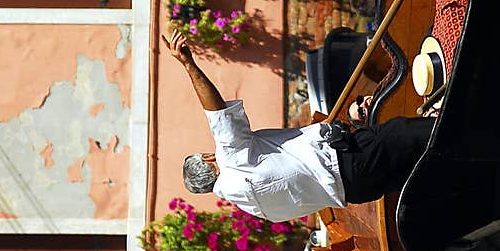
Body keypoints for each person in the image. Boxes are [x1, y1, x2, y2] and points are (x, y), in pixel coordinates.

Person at [163, 28, 434, 223]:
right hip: (351, 159)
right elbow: (218, 114)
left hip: (357, 190)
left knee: (429, 168)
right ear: (209, 159)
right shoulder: (231, 159)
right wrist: (189, 64)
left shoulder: (253, 208)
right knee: (424, 134)